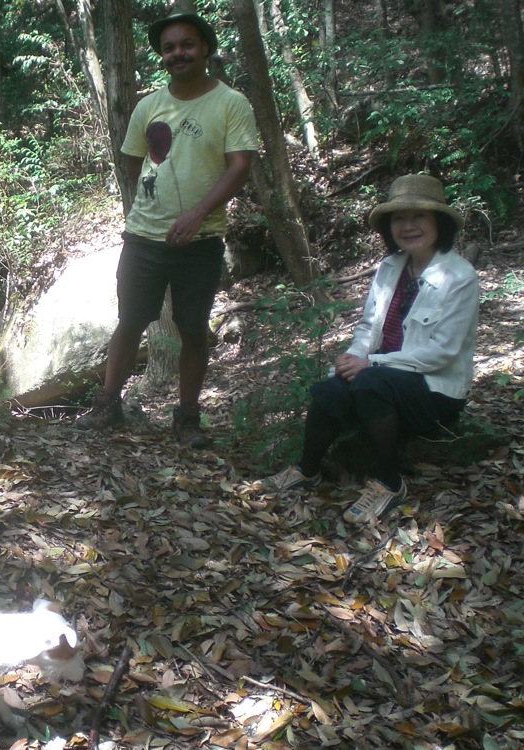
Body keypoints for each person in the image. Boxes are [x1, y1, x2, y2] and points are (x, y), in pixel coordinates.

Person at [75, 7, 258, 448]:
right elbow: (133, 160)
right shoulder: (148, 106)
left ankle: (187, 418)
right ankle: (108, 406)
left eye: (187, 45)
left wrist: (197, 212)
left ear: (205, 49)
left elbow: (240, 167)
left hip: (202, 238)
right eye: (169, 48)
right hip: (143, 237)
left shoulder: (231, 103)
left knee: (193, 327)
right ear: (162, 55)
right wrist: (153, 206)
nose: (178, 54)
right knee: (131, 320)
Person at [262, 174, 479, 525]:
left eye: (418, 217)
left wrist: (371, 364)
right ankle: (307, 469)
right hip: (380, 378)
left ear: (439, 221)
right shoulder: (390, 268)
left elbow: (443, 352)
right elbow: (368, 328)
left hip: (436, 390)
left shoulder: (460, 276)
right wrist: (353, 357)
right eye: (398, 218)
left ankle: (389, 483)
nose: (408, 226)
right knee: (330, 390)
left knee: (369, 383)